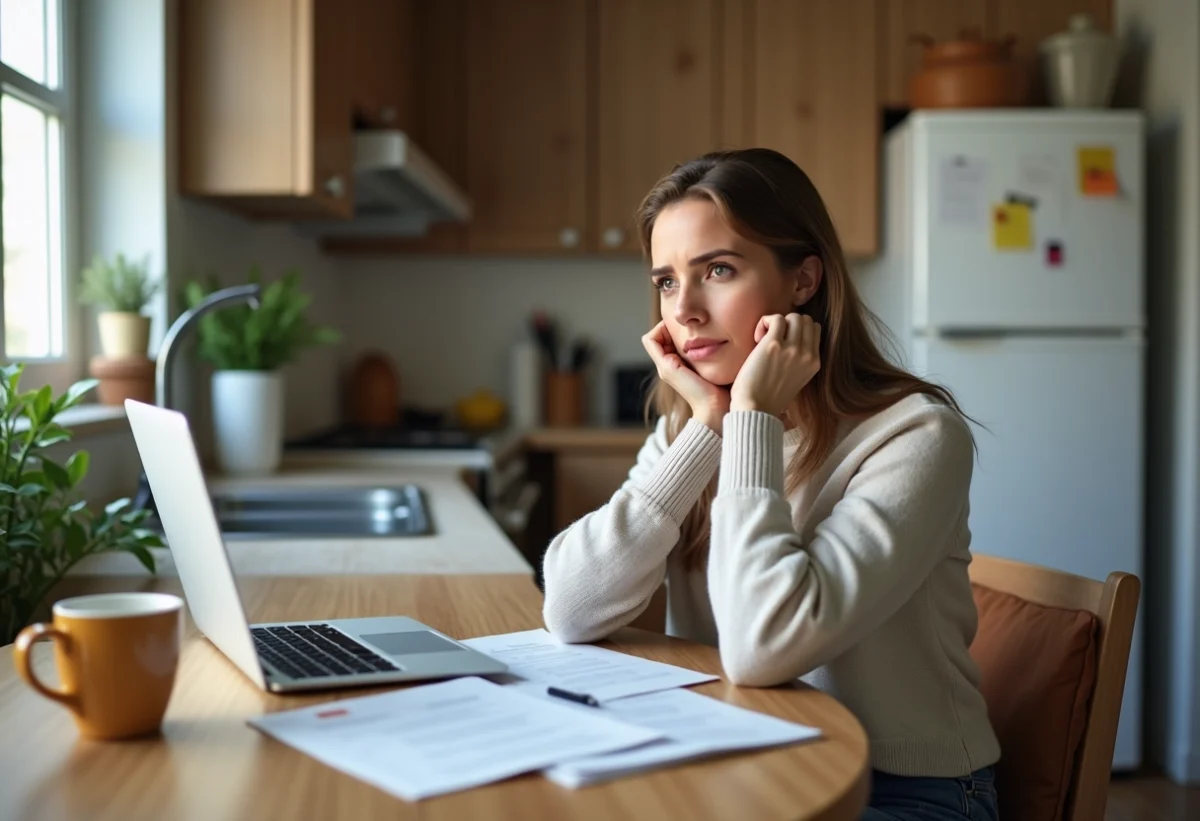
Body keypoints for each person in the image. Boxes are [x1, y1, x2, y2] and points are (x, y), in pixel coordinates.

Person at [541, 148, 1001, 821]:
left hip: (901, 788)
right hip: (741, 760)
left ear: (804, 280)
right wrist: (710, 428)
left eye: (717, 270)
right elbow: (570, 607)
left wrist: (751, 417)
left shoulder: (916, 435)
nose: (685, 310)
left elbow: (763, 648)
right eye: (666, 281)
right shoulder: (693, 428)